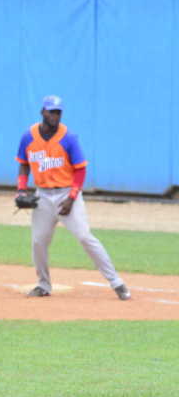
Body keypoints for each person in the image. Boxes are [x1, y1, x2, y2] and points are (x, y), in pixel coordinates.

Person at [16, 95, 131, 300]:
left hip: (66, 193)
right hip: (42, 195)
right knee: (38, 241)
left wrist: (71, 198)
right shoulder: (29, 136)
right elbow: (24, 163)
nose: (55, 115)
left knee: (85, 237)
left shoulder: (69, 137)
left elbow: (80, 170)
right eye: (51, 111)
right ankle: (43, 285)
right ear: (43, 112)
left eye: (58, 112)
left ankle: (117, 282)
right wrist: (22, 190)